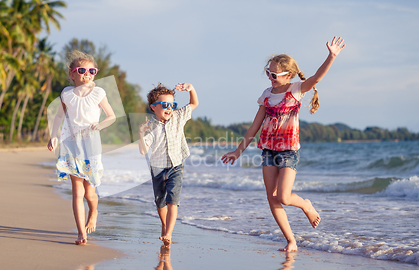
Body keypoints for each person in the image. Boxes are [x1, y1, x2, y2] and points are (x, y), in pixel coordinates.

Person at [221, 37, 346, 252]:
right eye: (268, 73)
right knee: (272, 199)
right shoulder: (267, 96)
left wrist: (331, 56)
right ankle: (291, 241)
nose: (270, 77)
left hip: (289, 151)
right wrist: (237, 151)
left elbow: (316, 78)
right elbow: (254, 128)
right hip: (269, 151)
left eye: (274, 75)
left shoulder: (296, 90)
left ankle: (306, 205)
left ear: (288, 75)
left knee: (284, 196)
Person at [48, 50, 116, 245]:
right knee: (77, 191)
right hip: (70, 144)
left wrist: (99, 126)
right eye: (82, 70)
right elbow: (59, 116)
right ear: (72, 74)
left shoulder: (98, 92)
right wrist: (53, 136)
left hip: (90, 144)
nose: (87, 74)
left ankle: (93, 211)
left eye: (91, 71)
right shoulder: (66, 93)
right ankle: (80, 233)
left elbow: (111, 116)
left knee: (89, 192)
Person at [138, 83, 199, 247]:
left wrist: (191, 89)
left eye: (172, 104)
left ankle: (169, 233)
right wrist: (141, 134)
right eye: (165, 105)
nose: (170, 108)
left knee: (173, 200)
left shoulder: (178, 117)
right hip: (157, 167)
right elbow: (143, 151)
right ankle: (164, 226)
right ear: (153, 107)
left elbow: (194, 104)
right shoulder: (150, 126)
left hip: (176, 165)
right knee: (160, 202)